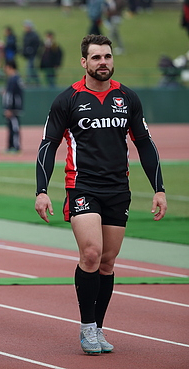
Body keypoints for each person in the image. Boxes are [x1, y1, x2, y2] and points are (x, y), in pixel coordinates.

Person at [34, 34, 167, 355]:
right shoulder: (67, 100)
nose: (103, 62)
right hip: (82, 187)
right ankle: (86, 328)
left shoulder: (128, 98)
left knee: (107, 263)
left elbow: (145, 144)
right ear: (84, 62)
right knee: (91, 254)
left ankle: (98, 327)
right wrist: (41, 190)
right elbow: (48, 146)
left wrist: (159, 189)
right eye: (96, 58)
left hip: (118, 189)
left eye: (107, 56)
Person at [1, 60, 24, 153]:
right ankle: (11, 146)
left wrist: (8, 108)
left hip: (13, 108)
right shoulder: (16, 78)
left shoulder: (13, 79)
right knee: (11, 127)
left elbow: (11, 95)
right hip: (14, 107)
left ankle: (15, 146)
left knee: (14, 127)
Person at [22, 20, 40, 86]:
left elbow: (37, 44)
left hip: (32, 55)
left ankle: (28, 81)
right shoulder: (26, 34)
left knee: (30, 68)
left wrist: (31, 50)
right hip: (28, 55)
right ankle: (37, 82)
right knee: (32, 69)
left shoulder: (34, 35)